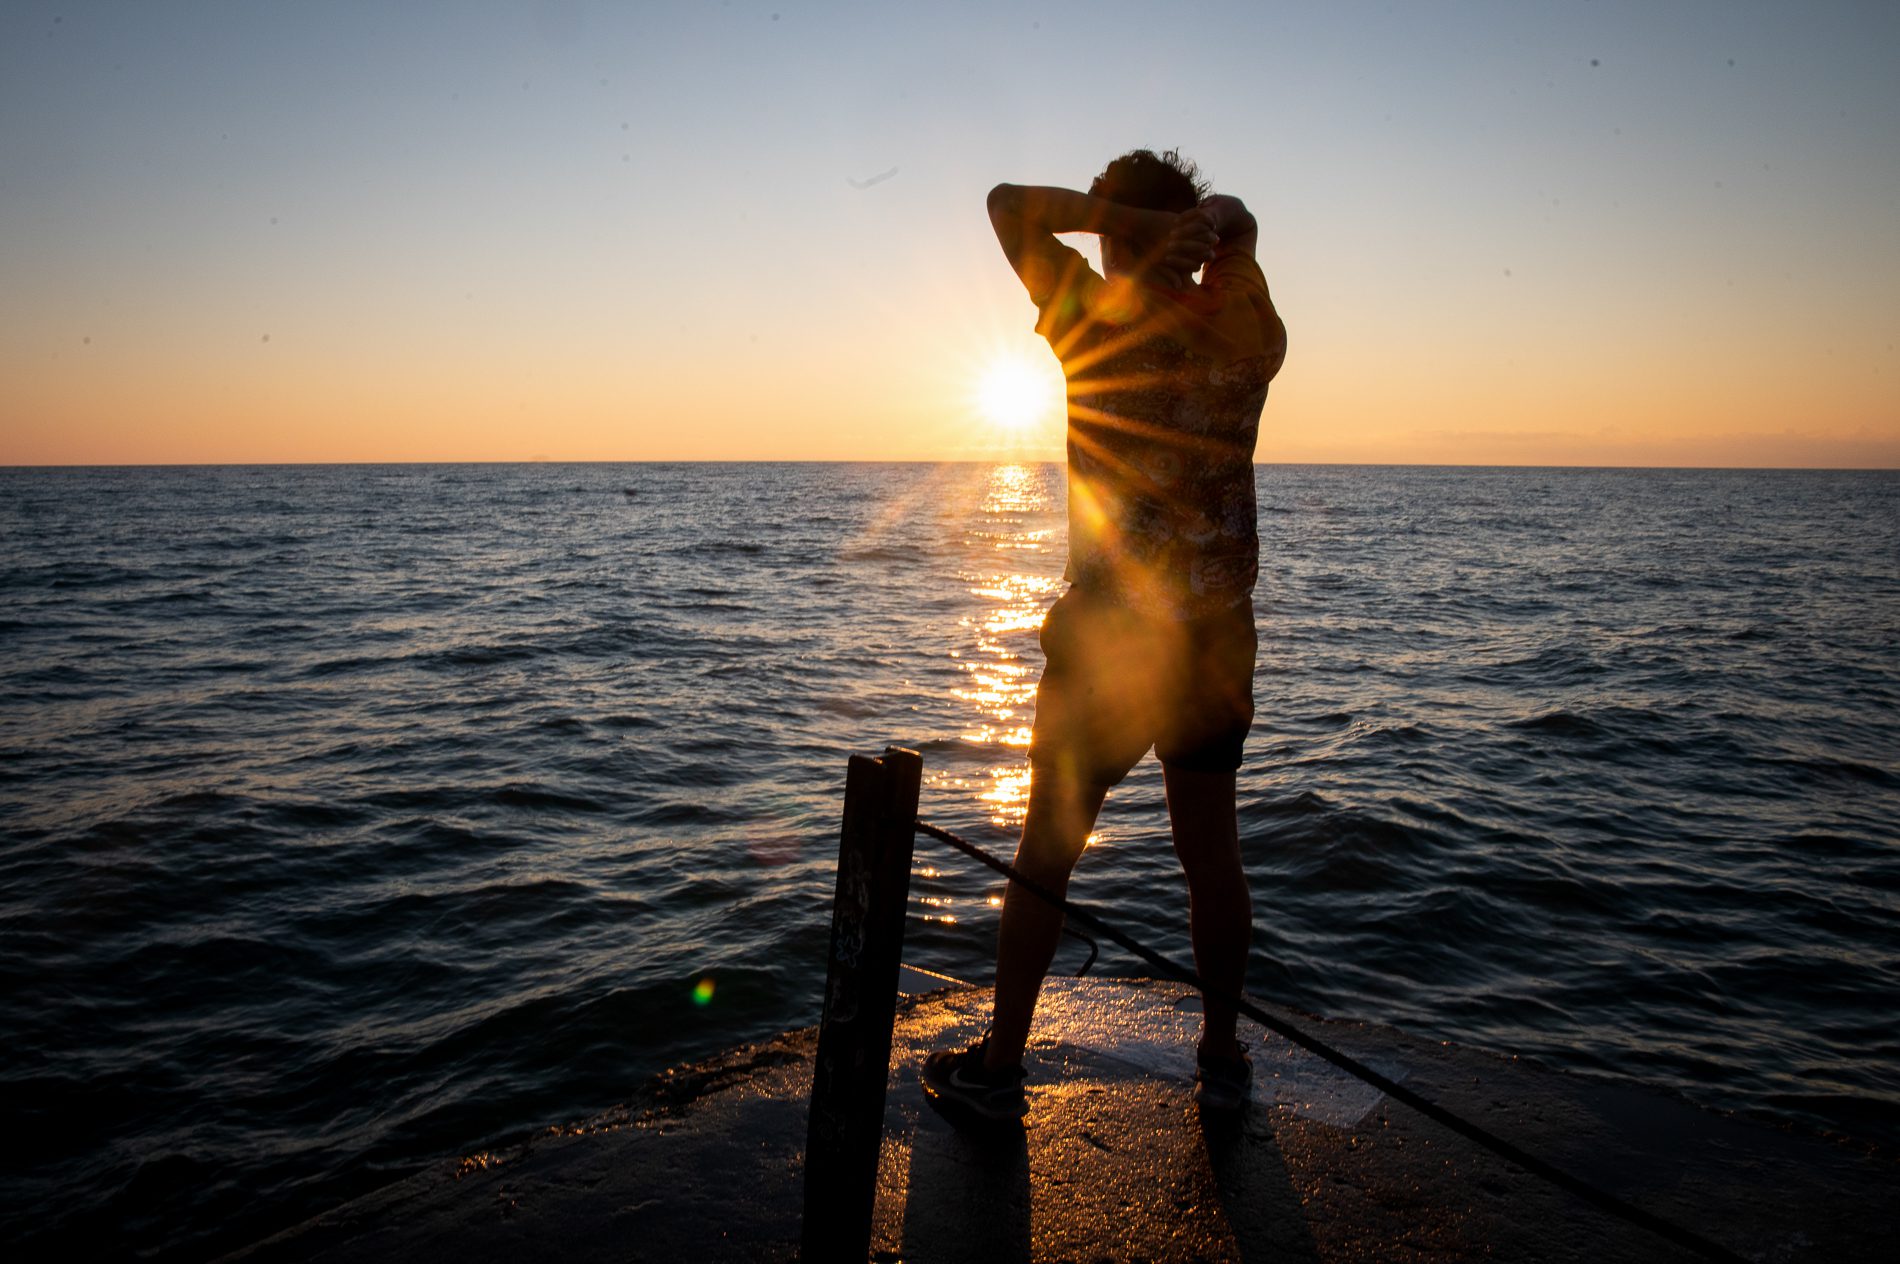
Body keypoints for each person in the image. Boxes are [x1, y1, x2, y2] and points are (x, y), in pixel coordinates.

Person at [922, 149, 1287, 1122]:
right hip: (1216, 638)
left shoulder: (1095, 315)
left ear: (1119, 238)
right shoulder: (1248, 322)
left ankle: (1000, 1069)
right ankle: (1220, 1055)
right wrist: (1205, 223)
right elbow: (1244, 219)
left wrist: (1109, 217)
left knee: (1047, 852)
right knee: (1213, 856)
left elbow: (1002, 203)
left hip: (1111, 640)